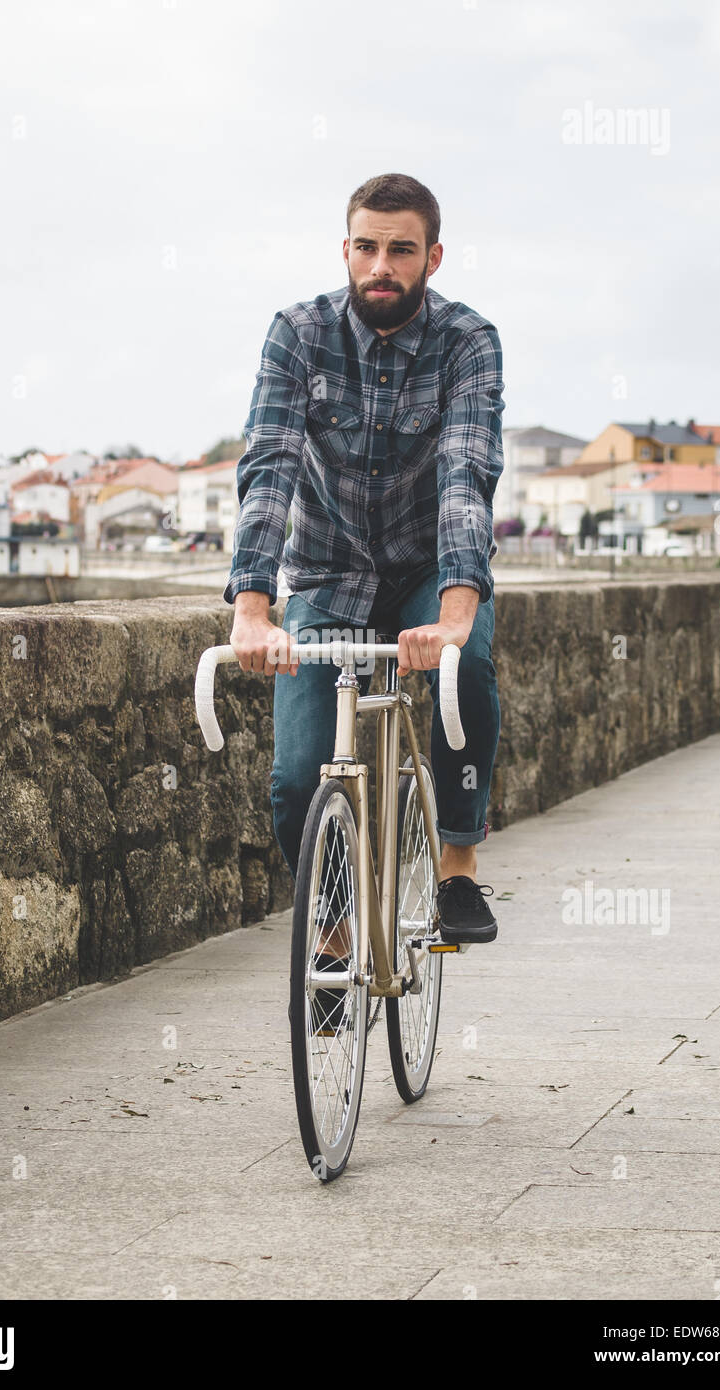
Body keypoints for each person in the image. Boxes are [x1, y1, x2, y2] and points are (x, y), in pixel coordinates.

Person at [224, 172, 504, 955]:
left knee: (468, 668)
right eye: (368, 247)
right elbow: (269, 465)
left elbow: (465, 475)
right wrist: (252, 606)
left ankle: (456, 862)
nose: (383, 264)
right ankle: (339, 931)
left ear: (433, 257)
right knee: (295, 781)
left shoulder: (468, 342)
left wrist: (453, 616)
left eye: (402, 250)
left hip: (425, 569)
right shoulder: (298, 332)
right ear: (346, 249)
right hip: (326, 573)